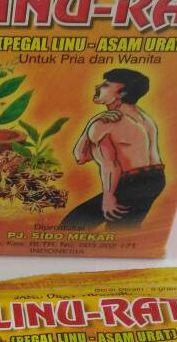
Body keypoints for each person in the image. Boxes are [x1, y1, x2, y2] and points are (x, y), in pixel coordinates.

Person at [60, 68, 164, 230]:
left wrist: (108, 198)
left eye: (106, 85)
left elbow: (86, 158)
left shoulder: (105, 123)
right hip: (156, 180)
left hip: (131, 183)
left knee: (72, 225)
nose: (98, 87)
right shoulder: (145, 119)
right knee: (124, 228)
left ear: (121, 94)